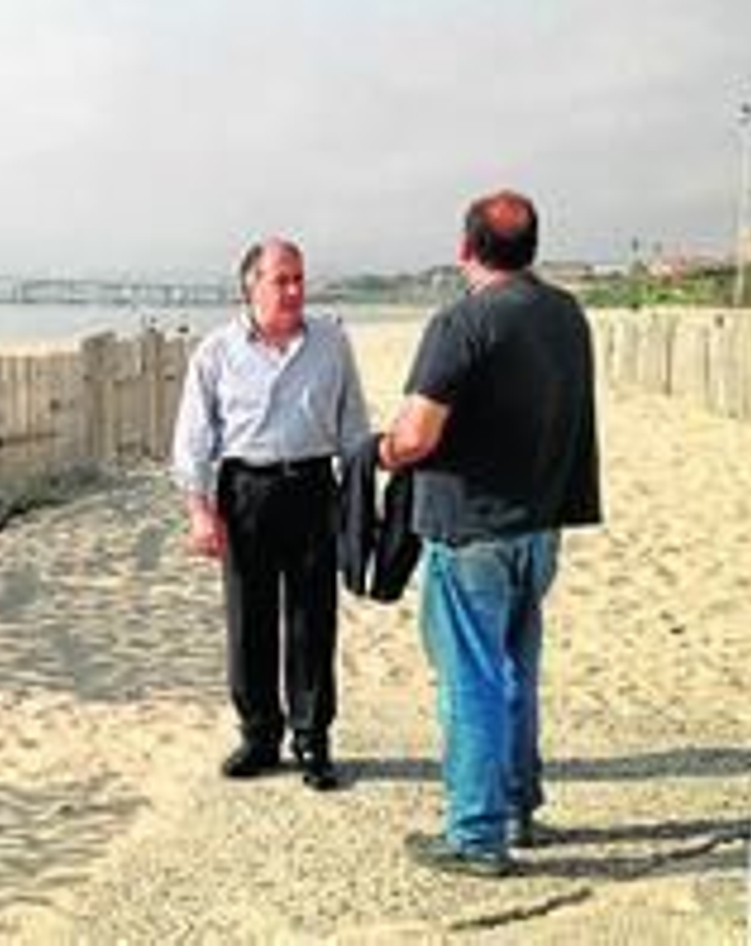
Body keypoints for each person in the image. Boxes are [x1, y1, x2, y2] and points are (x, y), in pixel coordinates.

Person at [379, 190, 601, 877]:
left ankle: (476, 834)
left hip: (473, 530)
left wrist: (381, 452)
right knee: (516, 671)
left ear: (465, 248)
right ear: (530, 247)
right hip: (540, 529)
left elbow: (416, 435)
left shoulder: (463, 323)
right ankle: (518, 806)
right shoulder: (567, 315)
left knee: (470, 679)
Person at [171, 238, 370, 791]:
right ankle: (259, 735)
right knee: (249, 618)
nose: (294, 290)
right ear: (250, 285)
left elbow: (353, 425)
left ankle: (312, 739)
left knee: (312, 617)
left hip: (311, 487)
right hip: (246, 491)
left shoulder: (331, 344)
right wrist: (199, 512)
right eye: (281, 279)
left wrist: (360, 501)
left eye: (299, 279)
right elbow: (193, 439)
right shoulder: (215, 351)